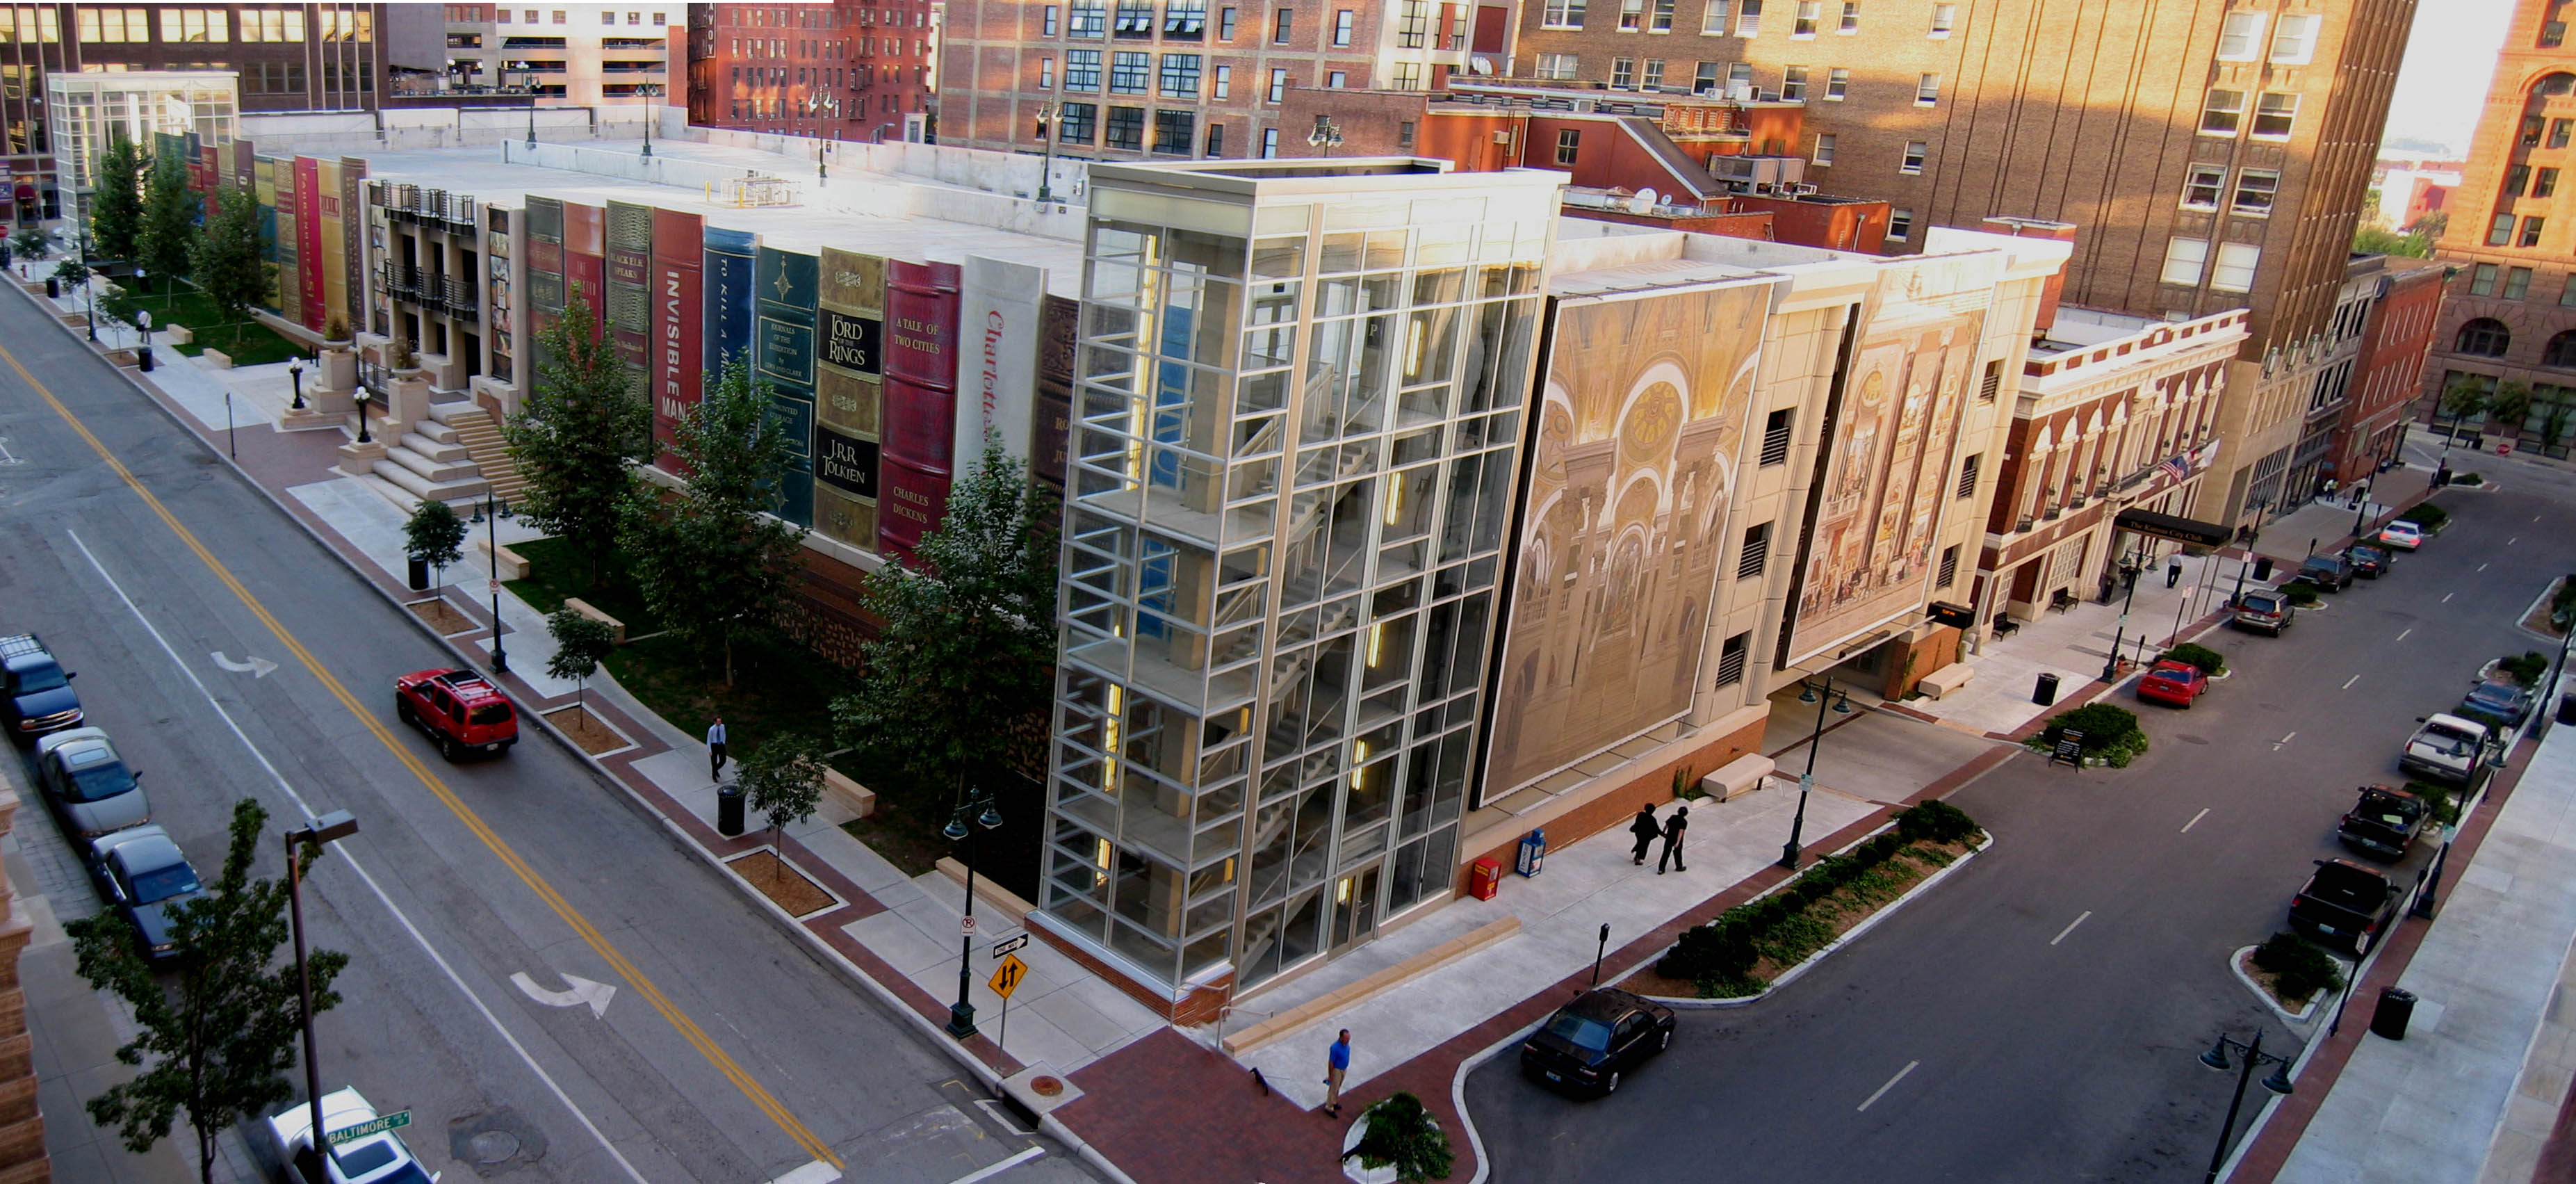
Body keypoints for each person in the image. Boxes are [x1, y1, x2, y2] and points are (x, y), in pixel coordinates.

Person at [1324, 1030, 1352, 1117]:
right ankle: (1329, 1106)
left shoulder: (1346, 1045)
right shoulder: (1335, 1048)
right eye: (1346, 1038)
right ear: (1341, 1038)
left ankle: (1334, 1102)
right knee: (1334, 1088)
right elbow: (1331, 1062)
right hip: (1337, 1070)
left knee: (1338, 1087)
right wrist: (1331, 1075)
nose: (1348, 1040)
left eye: (1349, 1038)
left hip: (1343, 1069)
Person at [1657, 806, 1689, 875]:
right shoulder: (1684, 822)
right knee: (1678, 853)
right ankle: (1679, 867)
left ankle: (1661, 869)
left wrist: (1663, 832)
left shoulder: (1673, 817)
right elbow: (1681, 832)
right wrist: (1677, 842)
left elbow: (1667, 825)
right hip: (1676, 839)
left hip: (1669, 837)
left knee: (1666, 853)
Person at [1629, 802, 1662, 866]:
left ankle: (1637, 852)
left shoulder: (1640, 815)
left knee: (1640, 843)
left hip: (1639, 833)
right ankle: (1639, 859)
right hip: (1647, 836)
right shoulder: (1653, 820)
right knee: (1644, 847)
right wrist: (1664, 835)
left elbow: (1637, 823)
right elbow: (1657, 830)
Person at [707, 716, 729, 781]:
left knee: (723, 760)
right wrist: (710, 750)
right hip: (714, 745)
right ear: (715, 722)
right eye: (718, 721)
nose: (720, 722)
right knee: (714, 761)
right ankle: (714, 775)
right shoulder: (711, 729)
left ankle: (715, 769)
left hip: (721, 744)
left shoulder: (723, 726)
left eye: (720, 721)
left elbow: (724, 734)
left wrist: (723, 742)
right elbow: (709, 740)